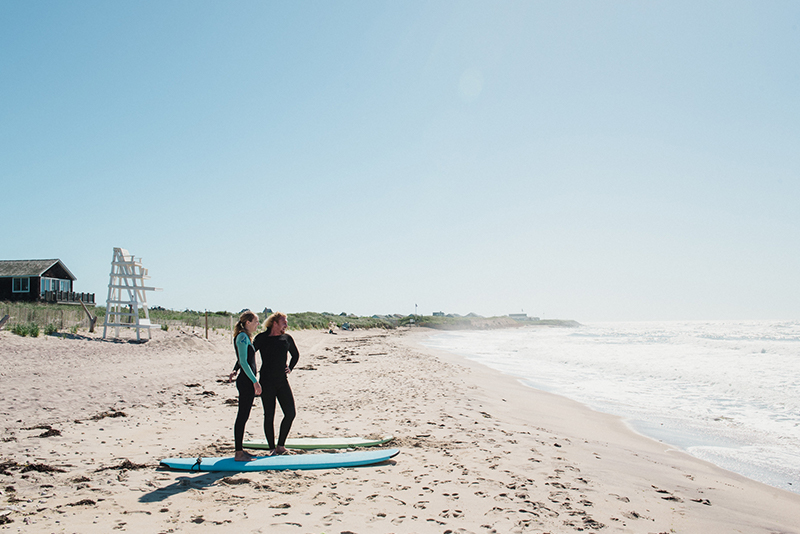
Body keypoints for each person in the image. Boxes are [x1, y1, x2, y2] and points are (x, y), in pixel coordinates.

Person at [253, 312, 299, 455]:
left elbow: (296, 355)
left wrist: (290, 368)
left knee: (290, 413)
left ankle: (281, 445)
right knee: (269, 415)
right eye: (283, 322)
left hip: (282, 381)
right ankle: (272, 448)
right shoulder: (261, 338)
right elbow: (248, 354)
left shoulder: (286, 338)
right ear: (274, 323)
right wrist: (238, 370)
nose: (286, 325)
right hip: (266, 382)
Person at [231, 311, 262, 462]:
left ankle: (240, 450)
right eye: (256, 322)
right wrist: (255, 381)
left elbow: (242, 360)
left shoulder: (245, 337)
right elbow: (244, 361)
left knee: (244, 416)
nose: (258, 324)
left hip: (246, 380)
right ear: (248, 322)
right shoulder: (242, 337)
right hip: (245, 382)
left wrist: (234, 369)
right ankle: (238, 453)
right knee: (242, 416)